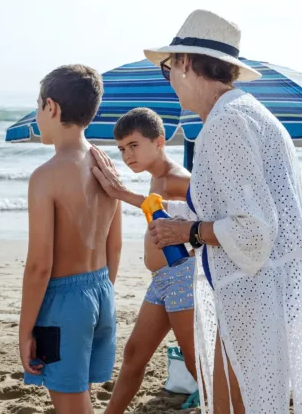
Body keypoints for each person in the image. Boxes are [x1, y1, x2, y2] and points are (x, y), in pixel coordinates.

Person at [91, 9, 302, 414]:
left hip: (250, 292)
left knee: (229, 406)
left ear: (185, 63)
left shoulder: (226, 123)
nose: (169, 81)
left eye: (168, 69)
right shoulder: (252, 114)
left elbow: (253, 232)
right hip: (264, 291)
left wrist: (190, 232)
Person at [19, 64, 122, 414]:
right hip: (102, 291)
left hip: (65, 303)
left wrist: (25, 331)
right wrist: (100, 293)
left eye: (37, 106)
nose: (37, 115)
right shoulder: (106, 166)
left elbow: (39, 265)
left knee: (70, 405)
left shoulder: (45, 177)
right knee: (81, 397)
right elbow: (115, 245)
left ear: (52, 107)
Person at [104, 108, 196, 414]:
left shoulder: (176, 177)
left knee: (196, 362)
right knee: (133, 354)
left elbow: (211, 215)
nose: (127, 155)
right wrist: (118, 192)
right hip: (161, 280)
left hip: (183, 277)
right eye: (121, 149)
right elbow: (153, 208)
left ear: (159, 142)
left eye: (133, 145)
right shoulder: (157, 178)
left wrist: (120, 192)